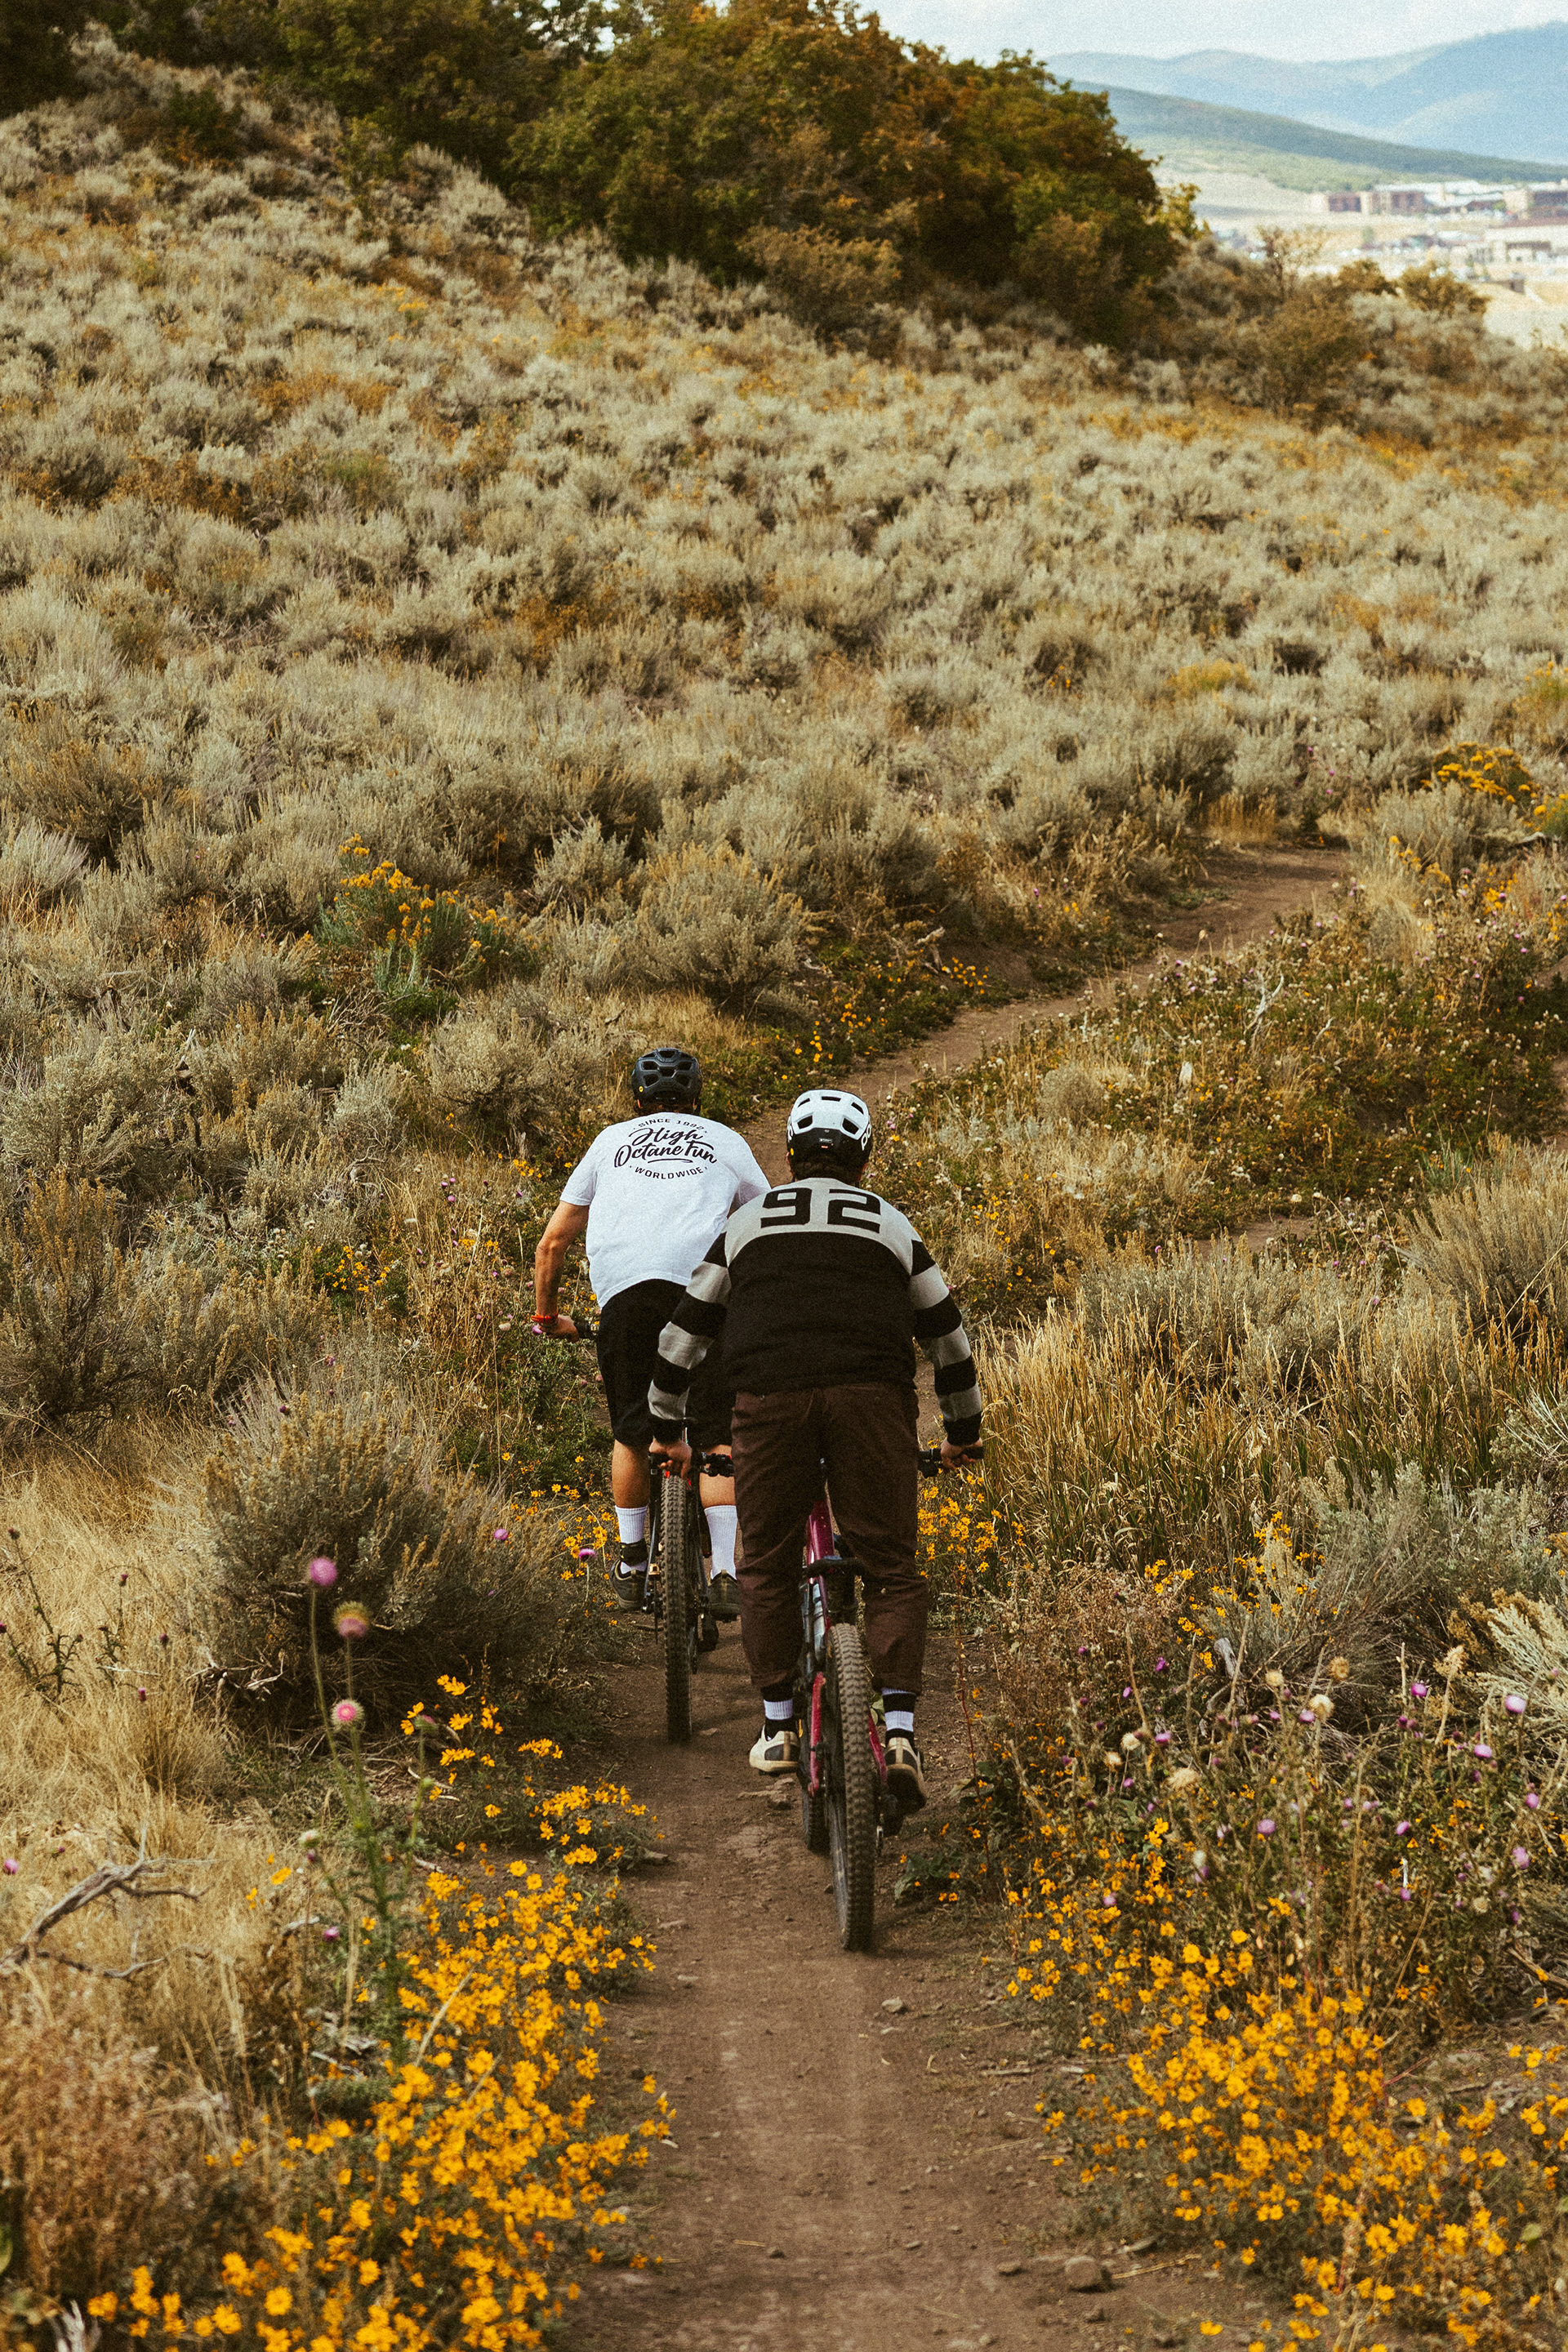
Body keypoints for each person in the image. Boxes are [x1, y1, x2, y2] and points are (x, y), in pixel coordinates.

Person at [645, 1086, 982, 1811]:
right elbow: (950, 1343)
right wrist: (961, 1434)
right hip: (872, 1403)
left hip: (771, 1403)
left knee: (765, 1561)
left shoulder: (746, 1224)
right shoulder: (892, 1224)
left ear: (792, 1157)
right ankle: (899, 1733)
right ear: (863, 1160)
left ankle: (776, 1727)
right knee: (891, 1566)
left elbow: (684, 1335)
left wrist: (668, 1426)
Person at [532, 1046, 770, 1615]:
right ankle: (725, 1572)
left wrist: (547, 1316)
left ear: (636, 1102)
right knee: (715, 1433)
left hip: (629, 1296)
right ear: (698, 1100)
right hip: (705, 1292)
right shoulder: (726, 1140)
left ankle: (633, 1560)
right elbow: (764, 1222)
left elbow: (552, 1244)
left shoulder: (609, 1142)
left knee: (631, 1432)